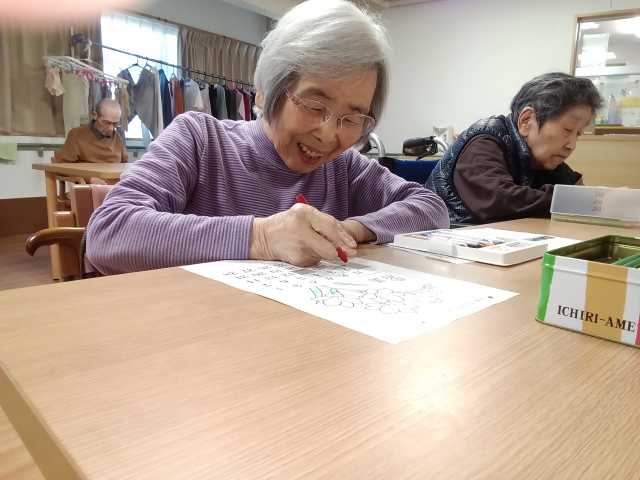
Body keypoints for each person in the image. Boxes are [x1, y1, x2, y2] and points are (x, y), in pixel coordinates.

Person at [85, 0, 449, 275]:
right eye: (313, 105)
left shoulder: (343, 167)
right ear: (264, 92)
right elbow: (108, 232)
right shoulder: (199, 139)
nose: (328, 134)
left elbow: (431, 209)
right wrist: (262, 237)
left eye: (353, 118)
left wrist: (349, 230)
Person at [425, 72, 603, 225]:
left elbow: (579, 193)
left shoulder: (542, 158)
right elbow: (499, 201)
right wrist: (577, 201)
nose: (572, 145)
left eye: (578, 134)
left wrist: (594, 200)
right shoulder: (483, 141)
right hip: (444, 243)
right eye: (567, 130)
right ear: (526, 120)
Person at [59, 99, 128, 164]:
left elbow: (125, 164)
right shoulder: (76, 135)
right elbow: (64, 166)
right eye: (106, 122)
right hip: (87, 173)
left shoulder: (117, 137)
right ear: (95, 115)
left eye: (115, 124)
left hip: (114, 173)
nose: (111, 128)